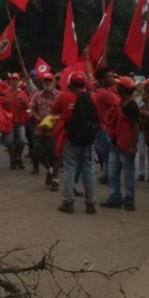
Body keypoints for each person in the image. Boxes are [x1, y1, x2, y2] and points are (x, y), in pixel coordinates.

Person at [57, 71, 98, 214]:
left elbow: (54, 112)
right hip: (88, 139)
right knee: (89, 170)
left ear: (71, 84)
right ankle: (90, 203)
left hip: (70, 139)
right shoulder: (92, 97)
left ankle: (68, 202)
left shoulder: (64, 97)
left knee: (70, 170)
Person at [103, 76, 141, 211]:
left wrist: (133, 144)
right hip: (116, 142)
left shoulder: (132, 106)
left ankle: (129, 199)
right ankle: (115, 197)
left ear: (124, 89)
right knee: (113, 172)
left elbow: (136, 127)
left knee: (128, 173)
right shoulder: (120, 103)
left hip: (125, 144)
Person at [30, 72, 61, 190]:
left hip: (54, 129)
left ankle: (55, 179)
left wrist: (55, 120)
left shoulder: (59, 95)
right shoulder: (37, 95)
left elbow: (63, 111)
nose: (47, 83)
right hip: (39, 128)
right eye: (45, 81)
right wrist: (37, 117)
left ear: (54, 81)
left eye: (49, 80)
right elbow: (32, 108)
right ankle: (50, 169)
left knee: (55, 154)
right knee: (37, 152)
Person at [91, 67, 120, 184]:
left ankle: (105, 174)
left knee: (103, 154)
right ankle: (110, 176)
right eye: (110, 77)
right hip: (104, 128)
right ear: (102, 80)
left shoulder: (94, 90)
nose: (113, 79)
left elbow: (89, 75)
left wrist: (87, 58)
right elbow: (122, 105)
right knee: (109, 156)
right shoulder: (107, 94)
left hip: (96, 128)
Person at [2, 73, 31, 170]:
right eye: (12, 80)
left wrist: (23, 102)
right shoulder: (5, 92)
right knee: (9, 142)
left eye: (15, 80)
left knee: (22, 141)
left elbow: (27, 106)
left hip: (20, 121)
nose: (14, 82)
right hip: (9, 122)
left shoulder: (22, 93)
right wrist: (4, 102)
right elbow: (0, 105)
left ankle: (18, 157)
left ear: (18, 81)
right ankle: (13, 160)